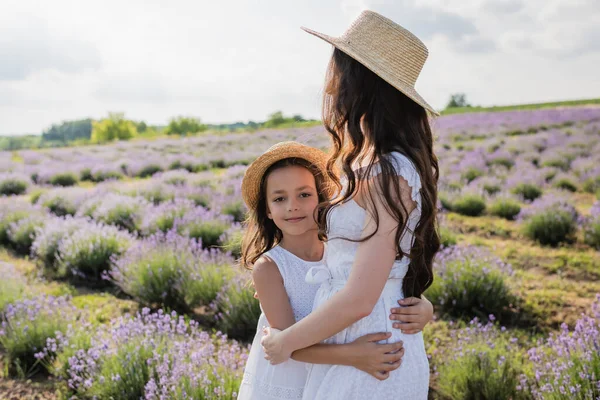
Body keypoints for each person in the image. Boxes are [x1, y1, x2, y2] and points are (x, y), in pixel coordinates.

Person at [261, 10, 441, 400]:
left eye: (337, 76)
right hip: (356, 338)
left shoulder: (387, 170)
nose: (330, 90)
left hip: (372, 343)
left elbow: (361, 297)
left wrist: (285, 342)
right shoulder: (369, 163)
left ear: (360, 84)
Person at [238, 141, 434, 399]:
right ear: (268, 210)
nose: (292, 206)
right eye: (279, 198)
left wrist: (425, 306)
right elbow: (283, 346)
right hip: (291, 378)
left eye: (304, 194)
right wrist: (354, 355)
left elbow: (377, 280)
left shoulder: (339, 252)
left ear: (322, 199)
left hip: (333, 375)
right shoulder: (270, 268)